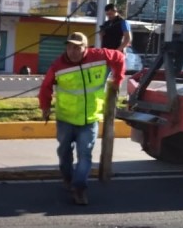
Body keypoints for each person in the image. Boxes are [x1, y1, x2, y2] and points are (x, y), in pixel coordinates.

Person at [38, 32, 125, 206]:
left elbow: (120, 57)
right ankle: (68, 179)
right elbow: (46, 87)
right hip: (66, 118)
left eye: (77, 47)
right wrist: (45, 106)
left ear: (86, 48)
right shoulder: (58, 65)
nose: (73, 51)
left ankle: (79, 188)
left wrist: (118, 80)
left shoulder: (99, 56)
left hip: (90, 118)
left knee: (85, 155)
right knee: (64, 153)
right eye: (70, 47)